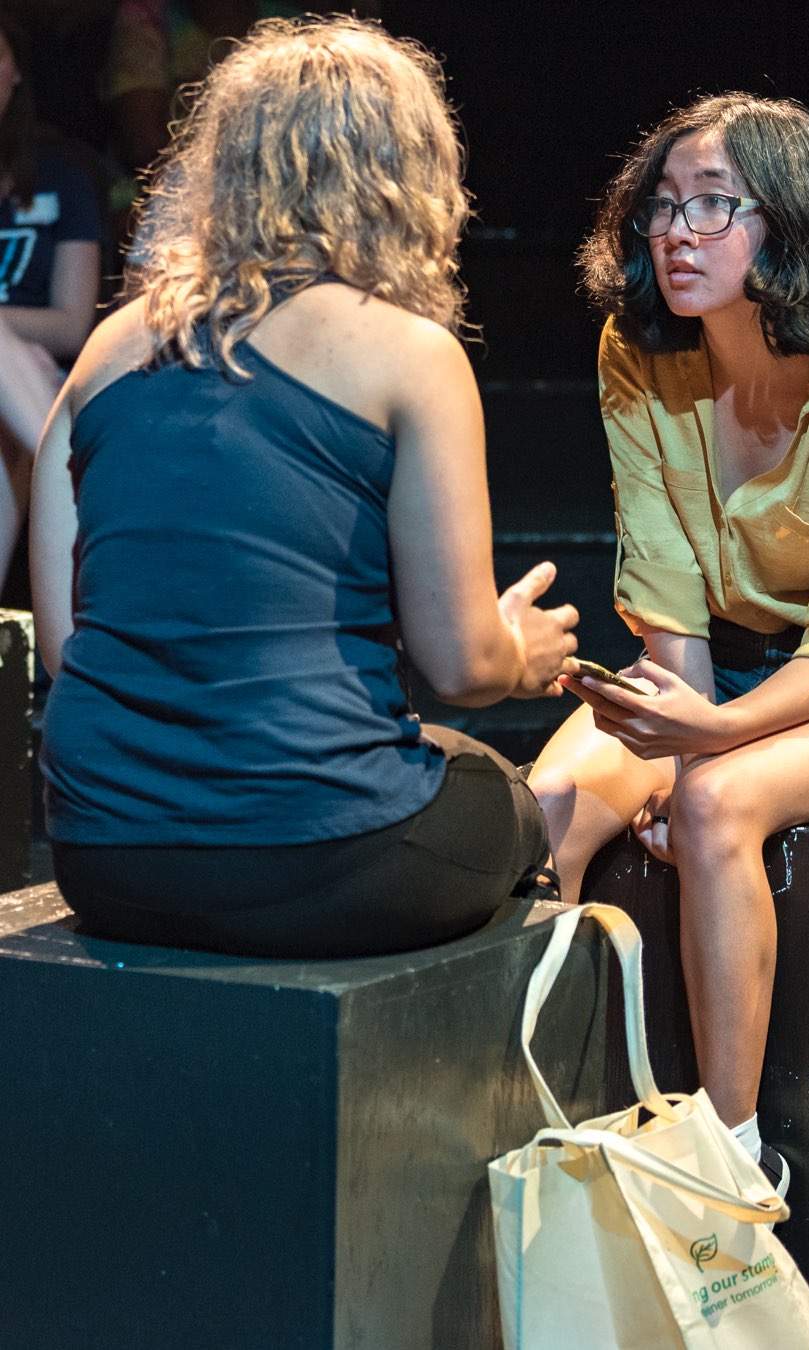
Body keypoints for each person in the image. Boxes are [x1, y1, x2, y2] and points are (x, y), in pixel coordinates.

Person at [30, 16, 580, 958]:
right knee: (526, 799)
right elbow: (460, 668)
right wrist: (516, 650)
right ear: (410, 176)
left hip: (105, 854)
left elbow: (63, 646)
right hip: (319, 854)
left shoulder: (100, 358)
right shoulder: (411, 355)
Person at [527, 92, 809, 1192]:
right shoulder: (640, 352)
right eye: (663, 206)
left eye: (714, 205)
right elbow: (666, 585)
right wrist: (689, 730)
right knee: (543, 814)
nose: (676, 231)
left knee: (718, 807)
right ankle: (527, 1120)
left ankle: (729, 1154)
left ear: (792, 223)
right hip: (704, 662)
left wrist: (705, 753)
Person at [0, 5, 103, 598]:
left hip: (35, 384)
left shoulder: (61, 173)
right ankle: (94, 493)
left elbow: (71, 325)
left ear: (17, 71)